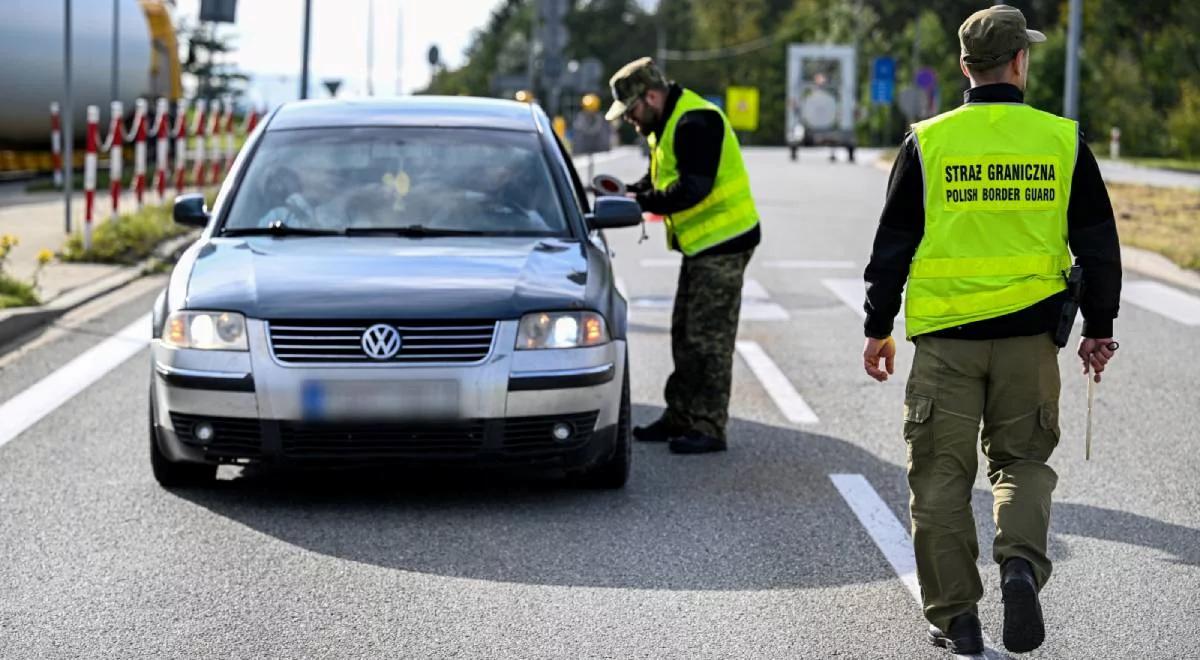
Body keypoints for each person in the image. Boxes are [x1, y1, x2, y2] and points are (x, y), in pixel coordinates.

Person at [860, 5, 1122, 655]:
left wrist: (877, 325)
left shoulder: (929, 139)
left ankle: (958, 619)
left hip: (946, 345)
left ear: (963, 66)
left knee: (941, 480)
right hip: (1031, 346)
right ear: (1019, 62)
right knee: (1024, 463)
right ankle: (1020, 567)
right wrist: (1099, 326)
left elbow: (893, 243)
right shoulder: (1061, 140)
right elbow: (1097, 242)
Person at [606, 57, 761, 455]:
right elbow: (663, 180)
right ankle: (680, 415)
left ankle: (709, 426)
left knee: (709, 339)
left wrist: (638, 202)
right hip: (701, 247)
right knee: (684, 333)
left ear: (652, 96)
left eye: (632, 111)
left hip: (725, 242)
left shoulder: (696, 121)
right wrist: (627, 191)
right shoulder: (667, 122)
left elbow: (693, 189)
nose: (631, 121)